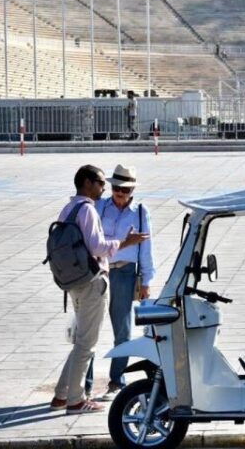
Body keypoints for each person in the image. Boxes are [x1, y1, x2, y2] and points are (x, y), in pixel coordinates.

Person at [51, 165, 148, 415]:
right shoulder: (89, 210)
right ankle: (75, 400)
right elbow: (97, 247)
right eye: (101, 183)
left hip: (73, 281)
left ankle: (61, 395)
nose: (104, 188)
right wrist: (126, 242)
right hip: (92, 282)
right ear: (87, 182)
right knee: (87, 344)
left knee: (81, 340)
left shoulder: (68, 208)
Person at [94, 165, 154, 401]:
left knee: (123, 329)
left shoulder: (140, 212)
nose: (120, 193)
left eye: (125, 189)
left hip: (125, 273)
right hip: (100, 270)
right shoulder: (99, 207)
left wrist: (147, 280)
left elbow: (146, 249)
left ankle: (116, 380)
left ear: (132, 190)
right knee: (90, 329)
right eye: (117, 188)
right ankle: (85, 385)